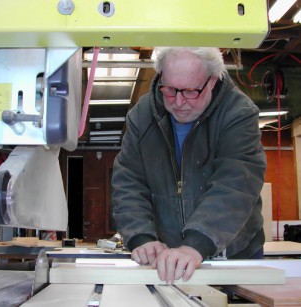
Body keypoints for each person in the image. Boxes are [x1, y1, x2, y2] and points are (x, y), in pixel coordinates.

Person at [111, 47, 266, 283]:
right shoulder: (141, 116)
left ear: (212, 81)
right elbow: (129, 181)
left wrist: (197, 244)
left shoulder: (238, 113)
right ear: (161, 77)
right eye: (171, 90)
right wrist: (141, 236)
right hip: (167, 259)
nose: (179, 102)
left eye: (191, 91)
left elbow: (235, 184)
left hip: (233, 253)